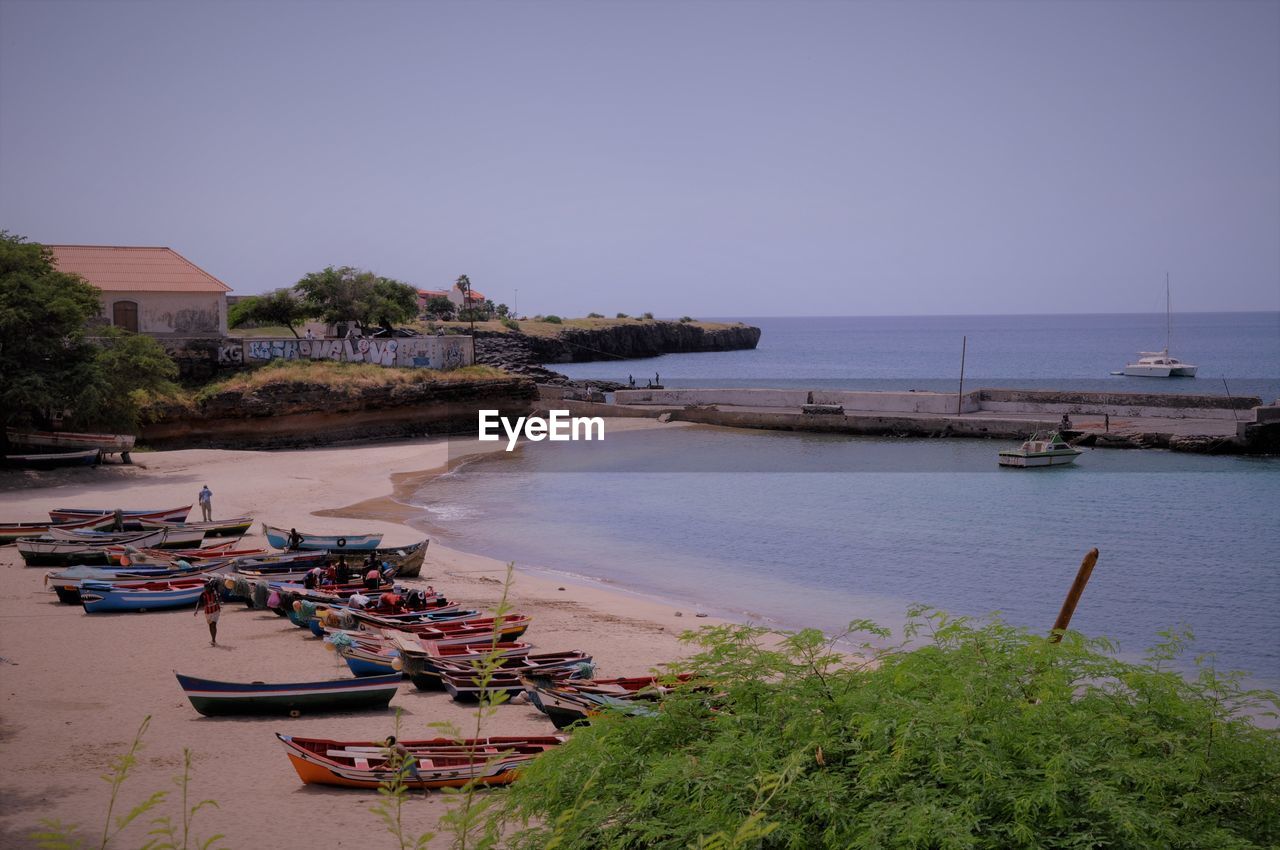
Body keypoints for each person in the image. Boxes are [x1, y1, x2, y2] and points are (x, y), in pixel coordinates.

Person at [194, 580, 222, 646]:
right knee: (210, 625)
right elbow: (199, 602)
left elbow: (219, 599)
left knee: (214, 624)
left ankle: (214, 640)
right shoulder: (203, 594)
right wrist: (196, 610)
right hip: (207, 612)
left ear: (210, 587)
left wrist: (218, 601)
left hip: (215, 611)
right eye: (206, 588)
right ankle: (213, 639)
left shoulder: (214, 593)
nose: (207, 589)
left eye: (208, 588)